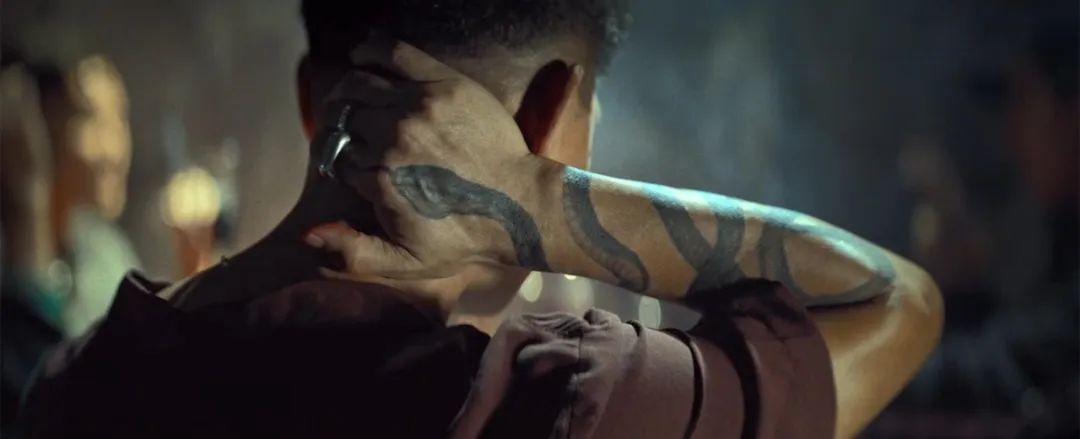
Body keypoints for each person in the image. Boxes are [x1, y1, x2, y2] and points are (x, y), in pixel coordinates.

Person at [21, 2, 943, 437]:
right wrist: (535, 201)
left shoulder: (84, 376)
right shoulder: (556, 399)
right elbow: (895, 300)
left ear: (310, 100)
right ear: (551, 117)